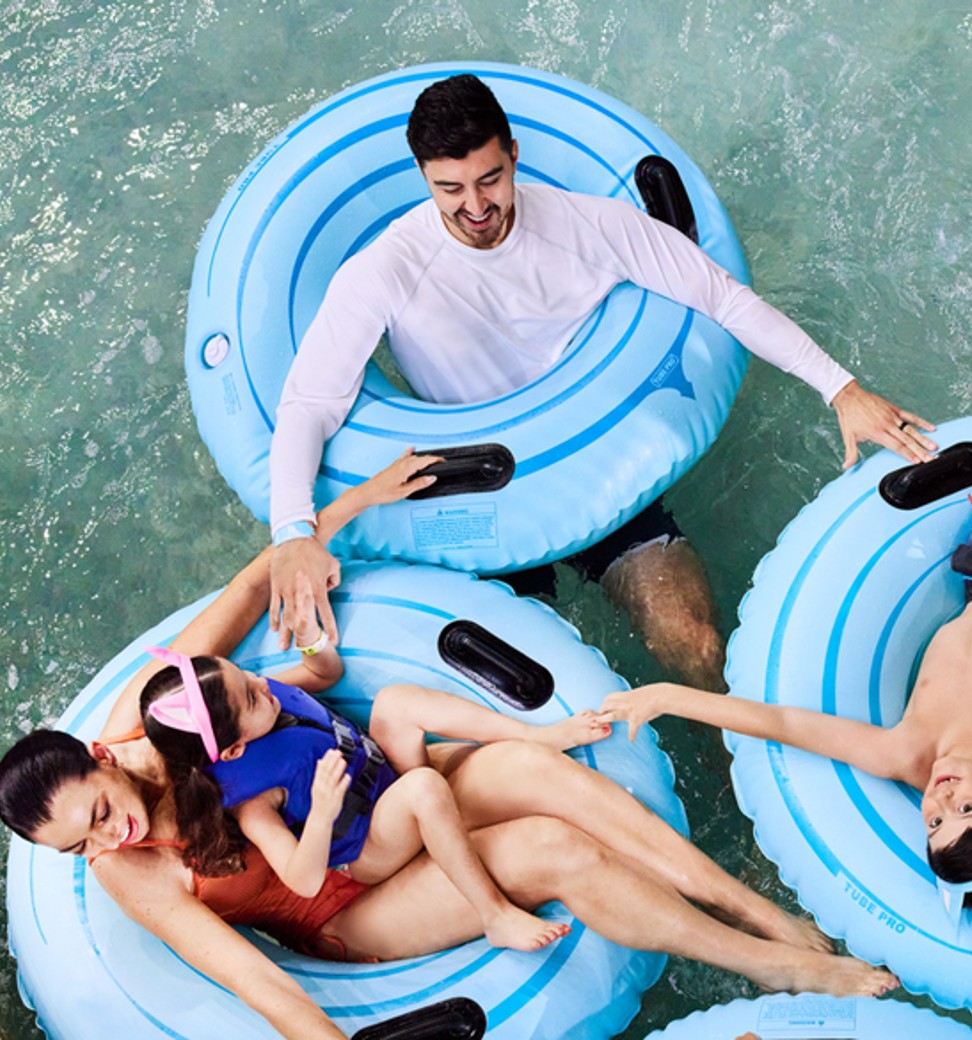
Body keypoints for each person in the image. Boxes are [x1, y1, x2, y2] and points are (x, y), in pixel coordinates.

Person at [0, 495, 898, 1040]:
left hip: (372, 810)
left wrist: (299, 539)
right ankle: (765, 964)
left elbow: (241, 611)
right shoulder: (135, 875)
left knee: (535, 773)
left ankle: (748, 903)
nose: (106, 840)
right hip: (348, 907)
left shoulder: (158, 718)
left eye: (97, 812)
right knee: (547, 845)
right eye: (79, 848)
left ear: (98, 758)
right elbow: (256, 980)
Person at [267, 73, 937, 692]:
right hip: (478, 498)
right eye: (450, 189)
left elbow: (719, 295)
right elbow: (309, 404)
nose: (475, 206)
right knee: (519, 689)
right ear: (422, 178)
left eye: (490, 179)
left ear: (516, 155)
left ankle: (736, 765)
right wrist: (294, 530)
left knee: (693, 643)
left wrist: (841, 388)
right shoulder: (385, 268)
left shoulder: (586, 225)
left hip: (592, 467)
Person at [599, 163, 972, 923]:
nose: (938, 800)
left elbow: (790, 725)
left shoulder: (907, 755)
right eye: (964, 809)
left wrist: (668, 693)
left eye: (933, 823)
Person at [141, 637, 610, 951]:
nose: (263, 685)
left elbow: (324, 671)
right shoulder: (253, 804)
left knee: (395, 702)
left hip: (380, 782)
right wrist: (322, 814)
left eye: (246, 676)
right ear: (235, 747)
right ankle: (494, 915)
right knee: (423, 788)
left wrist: (310, 639)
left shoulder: (264, 698)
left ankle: (536, 735)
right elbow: (302, 880)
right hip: (369, 847)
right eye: (251, 697)